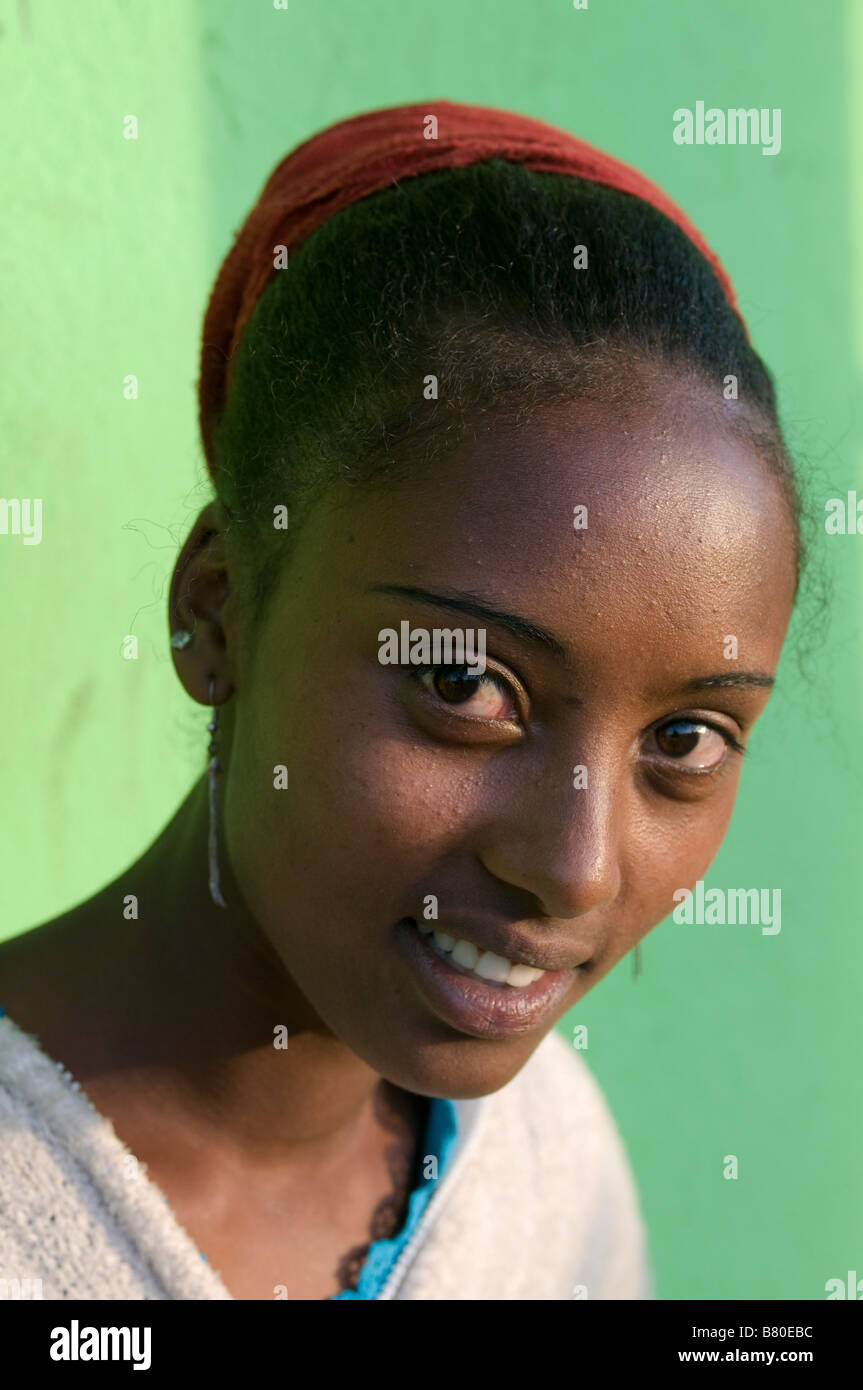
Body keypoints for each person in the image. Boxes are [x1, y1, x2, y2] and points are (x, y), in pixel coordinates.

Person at [0, 98, 801, 1301]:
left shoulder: (548, 1166)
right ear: (219, 610)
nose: (574, 870)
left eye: (683, 737)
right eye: (464, 683)